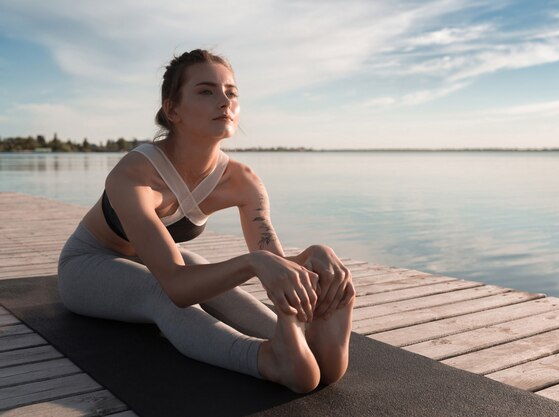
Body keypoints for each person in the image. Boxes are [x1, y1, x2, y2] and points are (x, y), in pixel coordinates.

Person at [57, 49, 355, 393]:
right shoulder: (135, 175)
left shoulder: (242, 181)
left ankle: (306, 342)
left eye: (231, 92)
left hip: (152, 261)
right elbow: (177, 286)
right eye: (206, 91)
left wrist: (313, 262)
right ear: (173, 110)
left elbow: (274, 261)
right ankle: (264, 359)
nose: (224, 101)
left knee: (210, 276)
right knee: (163, 293)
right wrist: (254, 263)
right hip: (88, 266)